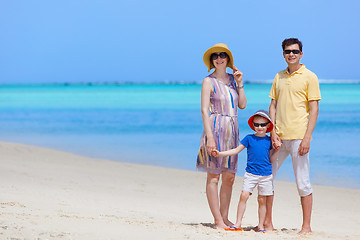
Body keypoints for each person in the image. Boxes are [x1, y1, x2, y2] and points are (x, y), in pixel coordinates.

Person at [265, 38, 321, 234]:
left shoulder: (310, 77)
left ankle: (306, 227)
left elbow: (314, 110)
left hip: (299, 138)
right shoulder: (278, 77)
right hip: (278, 137)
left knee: (303, 182)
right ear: (283, 54)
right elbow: (272, 106)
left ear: (301, 54)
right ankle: (267, 224)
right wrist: (272, 132)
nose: (291, 54)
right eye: (288, 51)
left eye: (295, 51)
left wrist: (307, 138)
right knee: (266, 178)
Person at [196, 43, 247, 229]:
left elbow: (242, 105)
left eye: (222, 55)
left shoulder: (234, 80)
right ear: (212, 60)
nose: (219, 58)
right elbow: (203, 110)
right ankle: (217, 220)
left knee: (230, 177)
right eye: (215, 56)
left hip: (232, 129)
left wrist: (240, 83)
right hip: (215, 128)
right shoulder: (208, 81)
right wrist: (209, 138)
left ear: (228, 59)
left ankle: (225, 218)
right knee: (214, 176)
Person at [212, 110, 280, 232]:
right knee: (244, 195)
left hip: (266, 175)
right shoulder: (249, 138)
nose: (260, 127)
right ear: (253, 125)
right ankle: (238, 223)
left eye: (263, 125)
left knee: (262, 200)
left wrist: (278, 150)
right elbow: (236, 150)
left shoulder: (269, 141)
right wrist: (220, 154)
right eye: (257, 124)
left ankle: (260, 226)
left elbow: (271, 159)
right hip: (251, 174)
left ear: (268, 125)